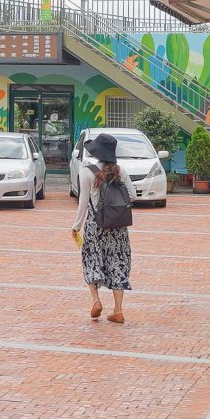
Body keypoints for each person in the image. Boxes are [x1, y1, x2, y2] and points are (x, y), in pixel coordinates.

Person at [74, 131, 133, 323]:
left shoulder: (87, 171)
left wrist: (76, 226)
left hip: (95, 226)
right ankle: (118, 310)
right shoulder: (120, 171)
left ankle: (96, 301)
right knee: (117, 264)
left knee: (91, 260)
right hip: (118, 227)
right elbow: (132, 195)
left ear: (97, 152)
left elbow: (83, 202)